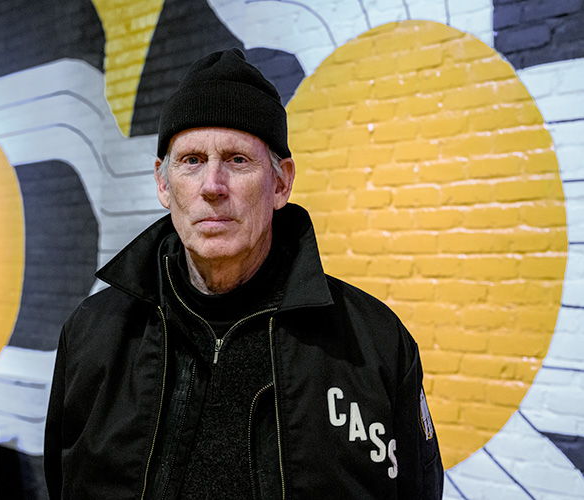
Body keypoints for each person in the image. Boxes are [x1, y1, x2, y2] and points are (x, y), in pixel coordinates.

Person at [44, 48, 443, 499]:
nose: (212, 186)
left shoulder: (374, 344)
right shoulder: (92, 335)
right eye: (191, 160)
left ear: (280, 183)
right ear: (162, 182)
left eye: (237, 160)